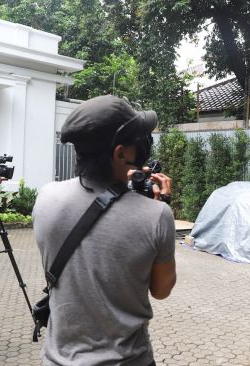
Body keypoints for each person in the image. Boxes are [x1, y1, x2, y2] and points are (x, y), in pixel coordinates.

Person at [33, 95, 176, 366]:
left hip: (56, 359)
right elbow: (161, 289)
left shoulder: (46, 196)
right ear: (121, 153)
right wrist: (158, 207)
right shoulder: (157, 215)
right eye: (138, 139)